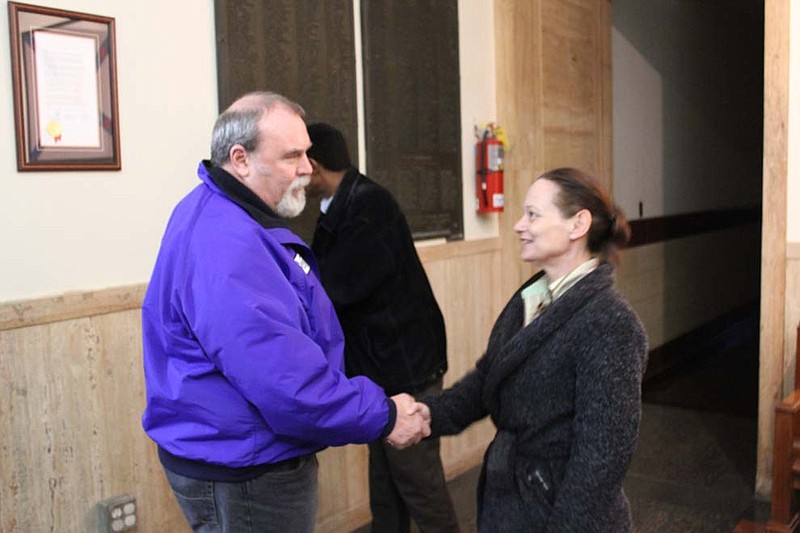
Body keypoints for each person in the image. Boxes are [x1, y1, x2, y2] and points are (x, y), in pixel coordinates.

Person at [140, 92, 430, 533]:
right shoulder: (229, 244)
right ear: (240, 159)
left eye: (307, 154)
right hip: (246, 471)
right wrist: (383, 415)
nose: (308, 169)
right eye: (292, 155)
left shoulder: (219, 211)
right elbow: (287, 383)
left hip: (233, 453)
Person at [418, 168, 648, 532]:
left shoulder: (610, 323)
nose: (518, 226)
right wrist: (423, 414)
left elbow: (600, 460)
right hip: (511, 501)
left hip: (556, 512)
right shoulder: (532, 298)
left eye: (533, 215)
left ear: (578, 224)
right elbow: (487, 381)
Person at [306, 123, 460, 533]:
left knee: (418, 482)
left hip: (406, 367)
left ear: (314, 165)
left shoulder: (368, 208)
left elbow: (335, 287)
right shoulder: (345, 203)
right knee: (385, 483)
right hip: (380, 370)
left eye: (296, 160)